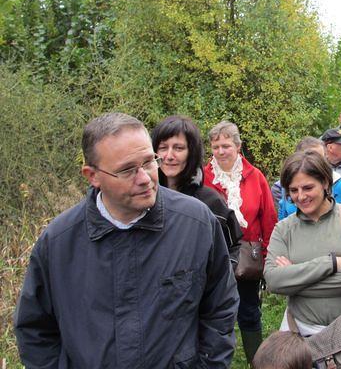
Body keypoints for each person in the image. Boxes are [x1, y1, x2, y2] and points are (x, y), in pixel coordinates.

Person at [13, 113, 239, 367]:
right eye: (128, 170)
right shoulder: (58, 243)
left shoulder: (195, 224)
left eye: (149, 162)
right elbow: (35, 330)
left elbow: (220, 307)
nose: (144, 178)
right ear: (92, 175)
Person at [264, 151, 341, 364]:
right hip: (300, 340)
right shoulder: (283, 230)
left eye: (307, 187)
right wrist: (329, 263)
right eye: (293, 190)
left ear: (325, 182)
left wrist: (295, 279)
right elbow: (273, 281)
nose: (301, 197)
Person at [203, 120, 277, 364]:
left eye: (226, 145)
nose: (221, 151)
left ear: (238, 146)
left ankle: (256, 361)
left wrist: (268, 258)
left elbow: (268, 219)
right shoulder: (203, 178)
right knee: (211, 312)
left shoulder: (255, 177)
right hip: (212, 256)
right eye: (216, 147)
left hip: (247, 257)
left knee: (248, 311)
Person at [151, 115, 243, 268]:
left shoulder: (210, 202)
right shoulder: (145, 199)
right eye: (163, 148)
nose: (169, 156)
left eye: (178, 148)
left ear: (191, 152)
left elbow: (232, 249)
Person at [271, 136, 341, 220]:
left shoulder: (336, 183)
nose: (319, 163)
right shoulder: (287, 185)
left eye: (322, 158)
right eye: (313, 158)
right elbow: (283, 217)